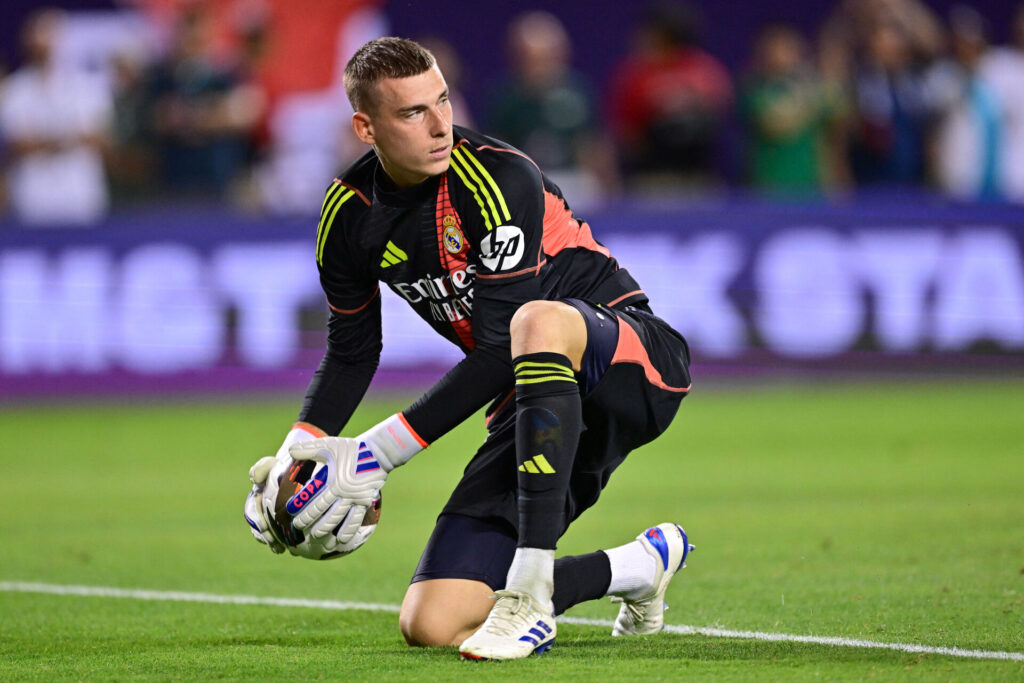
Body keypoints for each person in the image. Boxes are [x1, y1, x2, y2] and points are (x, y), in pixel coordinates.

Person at [243, 37, 693, 661]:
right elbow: (350, 352)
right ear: (364, 127)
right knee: (433, 621)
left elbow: (496, 349)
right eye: (412, 113)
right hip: (533, 408)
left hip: (630, 362)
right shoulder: (349, 214)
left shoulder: (496, 175)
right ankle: (634, 567)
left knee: (534, 322)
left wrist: (373, 455)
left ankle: (531, 598)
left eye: (443, 101)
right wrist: (294, 457)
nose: (440, 126)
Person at [0, 9, 112, 225]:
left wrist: (44, 141)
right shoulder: (16, 89)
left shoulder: (87, 84)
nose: (44, 48)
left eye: (49, 39)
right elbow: (19, 144)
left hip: (80, 195)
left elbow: (96, 138)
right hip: (33, 197)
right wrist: (69, 138)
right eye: (38, 40)